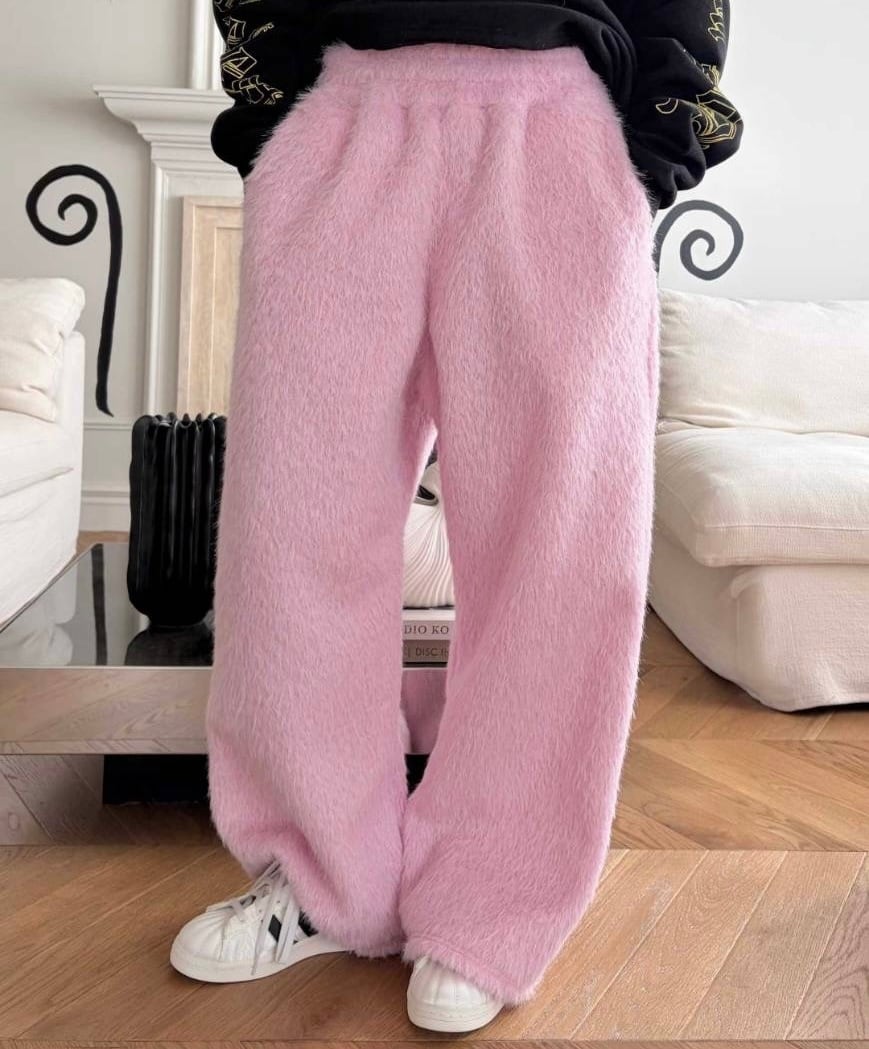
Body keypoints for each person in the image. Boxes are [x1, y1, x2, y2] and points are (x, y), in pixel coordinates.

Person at [171, 0, 743, 1033]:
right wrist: (276, 123)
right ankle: (316, 875)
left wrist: (643, 153)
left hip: (556, 123)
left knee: (555, 549)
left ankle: (494, 900)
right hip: (348, 106)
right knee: (289, 529)